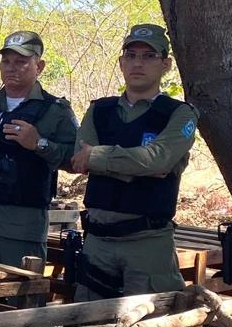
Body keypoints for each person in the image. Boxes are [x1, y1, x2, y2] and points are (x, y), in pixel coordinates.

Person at [71, 24, 199, 298]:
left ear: (165, 64)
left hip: (148, 244)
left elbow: (158, 161)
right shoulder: (99, 111)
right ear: (121, 62)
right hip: (98, 242)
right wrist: (138, 165)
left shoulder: (179, 114)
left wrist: (100, 156)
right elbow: (80, 160)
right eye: (130, 55)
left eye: (148, 56)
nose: (137, 63)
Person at [0, 31, 77, 266]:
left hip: (21, 224)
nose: (11, 68)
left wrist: (39, 143)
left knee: (20, 298)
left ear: (39, 66)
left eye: (21, 61)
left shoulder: (55, 111)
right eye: (6, 61)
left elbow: (76, 161)